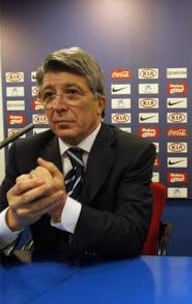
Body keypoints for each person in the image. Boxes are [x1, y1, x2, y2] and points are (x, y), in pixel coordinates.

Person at [0, 47, 156, 262]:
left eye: (72, 93)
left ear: (99, 104)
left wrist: (61, 207)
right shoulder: (25, 152)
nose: (58, 106)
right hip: (45, 278)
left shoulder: (133, 151)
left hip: (109, 274)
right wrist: (13, 219)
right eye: (48, 95)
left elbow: (131, 236)